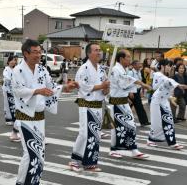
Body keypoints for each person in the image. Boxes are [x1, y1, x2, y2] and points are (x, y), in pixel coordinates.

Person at [12, 39, 78, 185]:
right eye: (35, 52)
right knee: (32, 153)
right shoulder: (18, 71)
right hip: (25, 117)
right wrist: (37, 91)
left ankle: (21, 182)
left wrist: (65, 87)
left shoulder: (42, 69)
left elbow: (52, 86)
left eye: (40, 51)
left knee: (36, 155)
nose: (38, 55)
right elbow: (18, 90)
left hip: (39, 118)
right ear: (26, 54)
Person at [69, 43, 109, 172]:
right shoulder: (84, 68)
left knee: (95, 135)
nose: (99, 52)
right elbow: (83, 87)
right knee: (84, 133)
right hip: (86, 105)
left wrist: (106, 88)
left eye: (100, 50)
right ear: (88, 53)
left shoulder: (102, 69)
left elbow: (105, 90)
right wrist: (101, 86)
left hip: (97, 106)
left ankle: (89, 162)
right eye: (96, 50)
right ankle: (74, 161)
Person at [109, 50, 151, 159]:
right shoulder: (115, 69)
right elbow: (124, 82)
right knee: (119, 127)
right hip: (116, 102)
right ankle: (120, 149)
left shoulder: (124, 69)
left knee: (129, 126)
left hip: (123, 101)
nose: (130, 59)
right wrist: (141, 83)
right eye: (128, 57)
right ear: (121, 58)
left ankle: (132, 149)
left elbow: (125, 83)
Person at [147, 59, 187, 149]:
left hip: (164, 101)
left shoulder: (168, 78)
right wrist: (178, 85)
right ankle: (150, 139)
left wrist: (171, 98)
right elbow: (156, 86)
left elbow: (169, 87)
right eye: (168, 66)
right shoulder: (158, 75)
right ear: (162, 66)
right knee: (156, 123)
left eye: (170, 66)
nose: (170, 68)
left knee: (168, 120)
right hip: (156, 101)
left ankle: (172, 142)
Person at [2, 56, 21, 142]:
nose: (14, 62)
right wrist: (13, 80)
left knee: (13, 105)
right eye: (12, 60)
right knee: (9, 105)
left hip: (14, 90)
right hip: (8, 89)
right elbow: (7, 77)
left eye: (15, 61)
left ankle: (13, 119)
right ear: (9, 61)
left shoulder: (15, 69)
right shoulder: (6, 69)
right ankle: (9, 119)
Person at [127, 60, 150, 126]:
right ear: (134, 65)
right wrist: (130, 92)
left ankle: (144, 121)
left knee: (139, 106)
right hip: (132, 91)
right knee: (129, 107)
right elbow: (129, 83)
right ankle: (127, 120)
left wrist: (141, 91)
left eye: (140, 63)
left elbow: (140, 82)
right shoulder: (131, 72)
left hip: (137, 91)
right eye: (138, 64)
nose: (140, 65)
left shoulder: (139, 72)